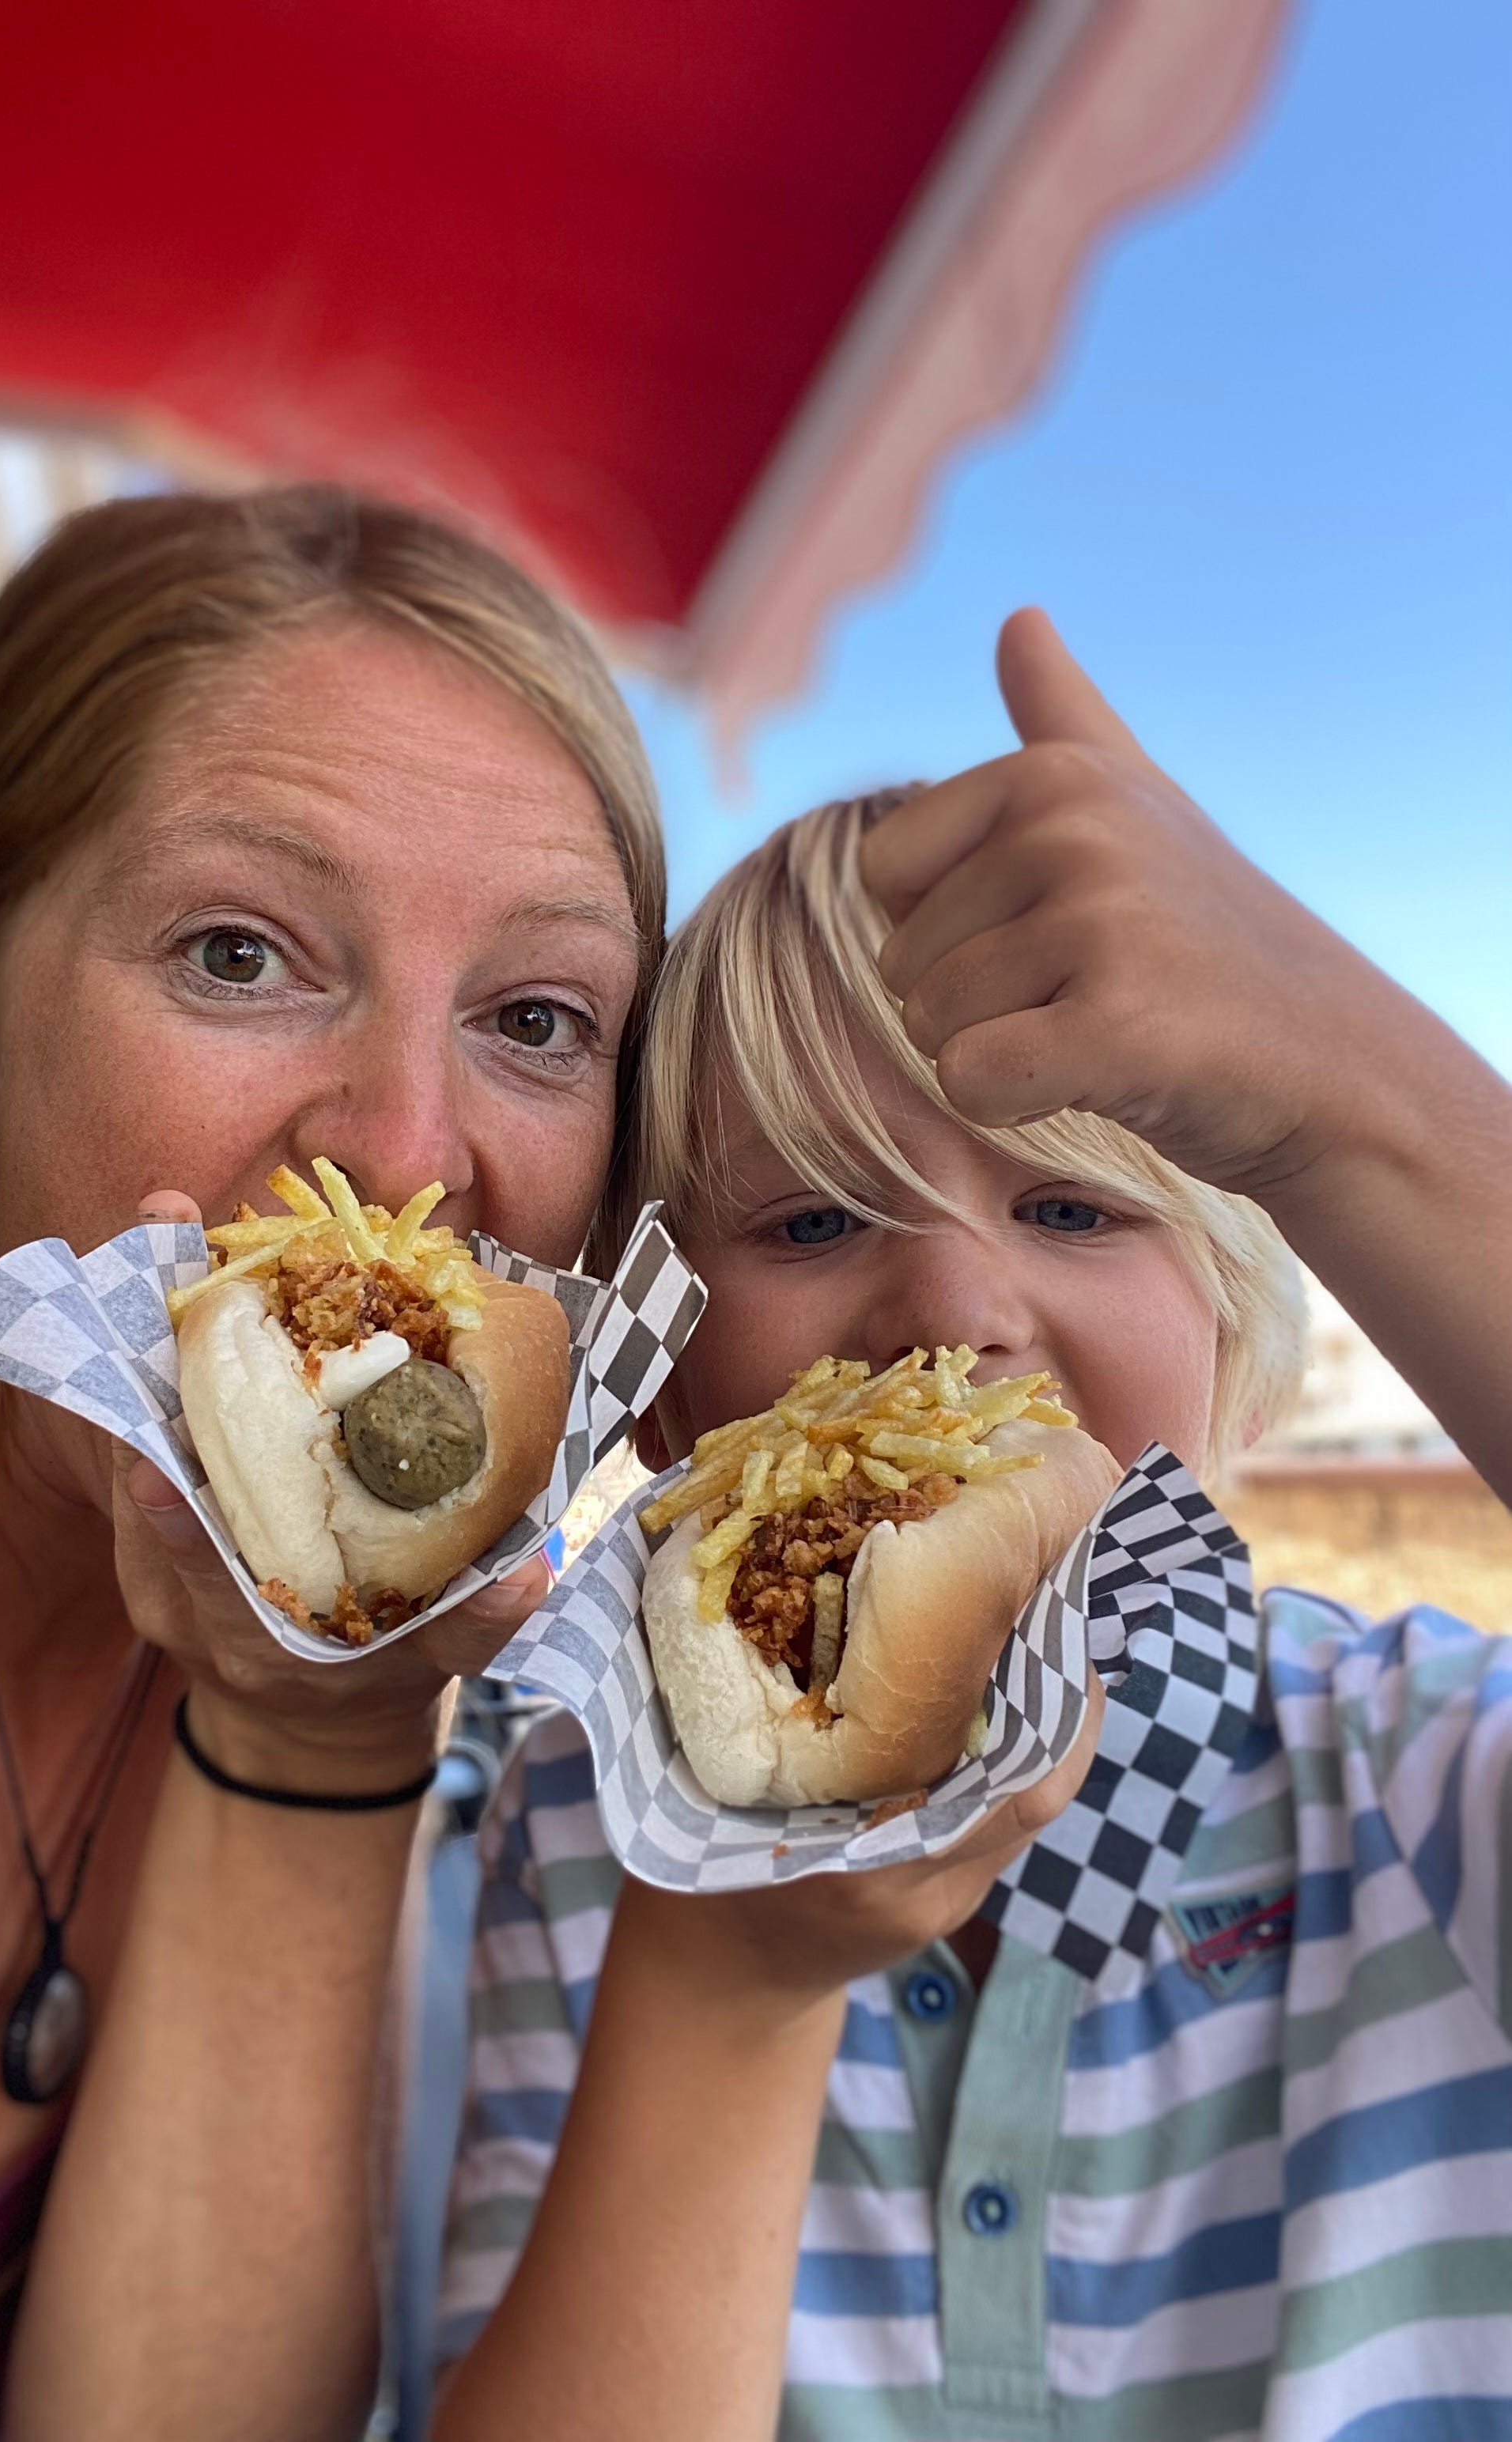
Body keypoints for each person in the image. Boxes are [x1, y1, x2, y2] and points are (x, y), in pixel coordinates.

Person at [432, 611, 1512, 2442]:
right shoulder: (568, 1817)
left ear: (1241, 1347)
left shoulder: (1411, 1766)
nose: (950, 1303)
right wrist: (735, 1964)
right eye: (810, 1219)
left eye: (1078, 1208)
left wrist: (1353, 1097)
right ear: (673, 1394)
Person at [0, 486, 664, 2440]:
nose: (402, 1151)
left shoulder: (508, 1797)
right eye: (239, 952)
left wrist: (319, 1739)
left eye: (536, 1018)